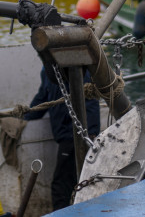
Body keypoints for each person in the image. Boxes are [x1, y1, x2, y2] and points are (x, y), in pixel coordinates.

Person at [23, 66, 101, 210]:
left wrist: (90, 132)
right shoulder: (49, 69)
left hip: (75, 135)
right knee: (76, 183)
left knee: (61, 187)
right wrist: (23, 118)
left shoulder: (75, 65)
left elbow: (86, 97)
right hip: (72, 135)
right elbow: (43, 97)